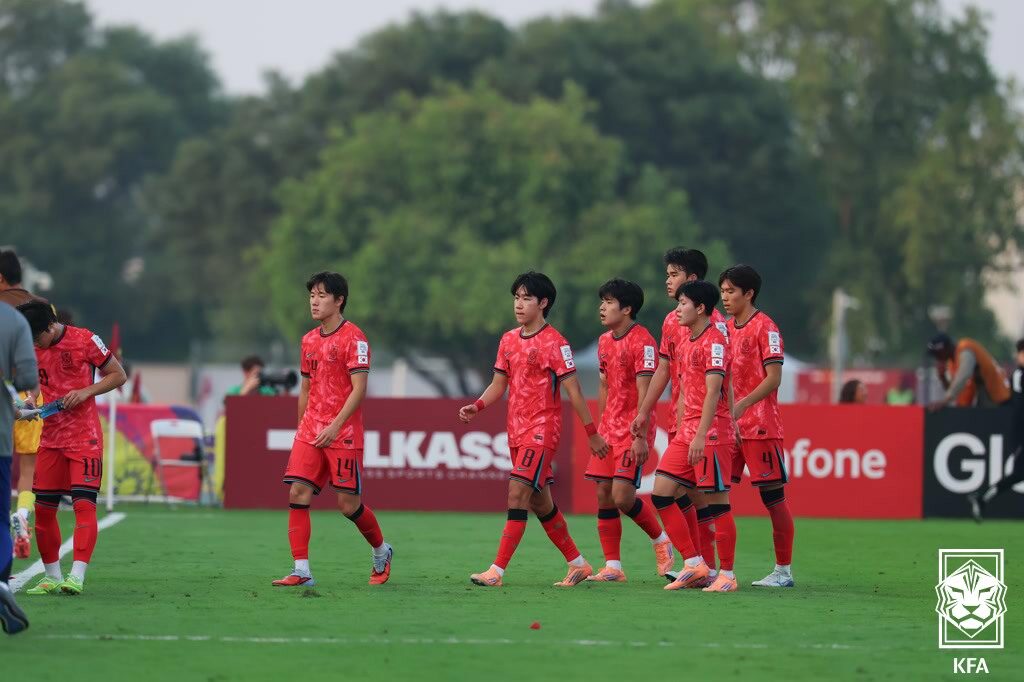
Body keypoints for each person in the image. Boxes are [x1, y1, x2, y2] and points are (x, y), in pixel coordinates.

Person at [459, 271, 608, 588]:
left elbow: (574, 391)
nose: (519, 304)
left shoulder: (556, 343)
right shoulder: (508, 340)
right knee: (541, 503)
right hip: (515, 432)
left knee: (517, 493)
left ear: (543, 303)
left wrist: (591, 432)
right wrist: (478, 405)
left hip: (542, 431)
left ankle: (496, 571)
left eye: (526, 298)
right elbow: (499, 384)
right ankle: (578, 563)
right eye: (516, 297)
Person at [273, 272, 392, 587]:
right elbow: (305, 388)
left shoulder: (355, 338)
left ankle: (382, 551)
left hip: (343, 434)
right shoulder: (308, 340)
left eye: (322, 295)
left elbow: (359, 389)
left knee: (347, 506)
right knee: (297, 492)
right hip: (311, 431)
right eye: (312, 295)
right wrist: (302, 427)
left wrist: (335, 426)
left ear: (339, 300)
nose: (314, 301)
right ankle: (302, 571)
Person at [631, 247, 728, 584]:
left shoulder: (717, 327)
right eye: (668, 274)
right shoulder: (672, 320)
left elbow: (722, 383)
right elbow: (664, 368)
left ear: (693, 279)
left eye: (674, 274)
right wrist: (644, 411)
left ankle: (711, 568)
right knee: (675, 493)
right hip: (679, 421)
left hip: (707, 425)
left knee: (703, 498)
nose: (667, 281)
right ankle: (696, 563)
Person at [17, 301, 127, 596]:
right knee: (44, 510)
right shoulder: (32, 346)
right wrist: (30, 401)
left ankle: (76, 576)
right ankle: (52, 576)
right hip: (50, 439)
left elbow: (118, 375)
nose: (35, 345)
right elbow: (36, 383)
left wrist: (86, 391)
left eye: (37, 338)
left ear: (50, 326)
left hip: (84, 438)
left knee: (83, 505)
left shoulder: (85, 340)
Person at [584, 279, 674, 581]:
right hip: (608, 430)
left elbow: (646, 392)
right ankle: (613, 566)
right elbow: (604, 385)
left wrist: (640, 436)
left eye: (609, 302)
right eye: (602, 301)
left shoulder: (643, 342)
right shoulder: (603, 341)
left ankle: (661, 540)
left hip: (633, 430)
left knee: (622, 497)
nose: (602, 307)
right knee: (603, 494)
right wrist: (600, 427)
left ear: (627, 308)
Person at [648, 280, 735, 592]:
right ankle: (695, 562)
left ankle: (727, 575)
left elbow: (714, 391)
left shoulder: (715, 342)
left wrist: (700, 435)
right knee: (661, 492)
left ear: (700, 308)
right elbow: (684, 389)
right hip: (687, 431)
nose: (677, 309)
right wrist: (685, 427)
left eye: (683, 303)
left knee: (718, 503)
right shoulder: (685, 341)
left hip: (710, 433)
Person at [720, 265, 796, 588]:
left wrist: (742, 405)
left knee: (773, 498)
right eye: (722, 291)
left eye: (731, 291)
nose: (725, 297)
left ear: (749, 293)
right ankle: (712, 567)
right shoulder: (724, 329)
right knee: (712, 493)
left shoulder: (766, 327)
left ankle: (783, 571)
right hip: (729, 427)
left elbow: (774, 378)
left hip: (760, 426)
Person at [0, 249, 50, 559]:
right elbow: (48, 348)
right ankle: (21, 515)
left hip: (4, 394)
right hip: (33, 392)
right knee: (27, 468)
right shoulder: (42, 306)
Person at [1, 302, 38, 633]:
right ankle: (22, 516)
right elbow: (28, 378)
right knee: (28, 472)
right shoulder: (15, 320)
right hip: (15, 414)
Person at [967, 338, 1024, 521]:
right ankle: (982, 498)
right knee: (1018, 474)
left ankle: (982, 498)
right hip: (1021, 432)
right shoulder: (1019, 375)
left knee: (1018, 474)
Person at [926, 334, 1010, 410]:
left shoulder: (965, 348)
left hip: (996, 397)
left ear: (945, 349)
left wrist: (944, 401)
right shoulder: (952, 363)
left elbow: (964, 376)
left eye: (937, 354)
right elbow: (956, 389)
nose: (936, 358)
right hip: (982, 401)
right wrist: (942, 377)